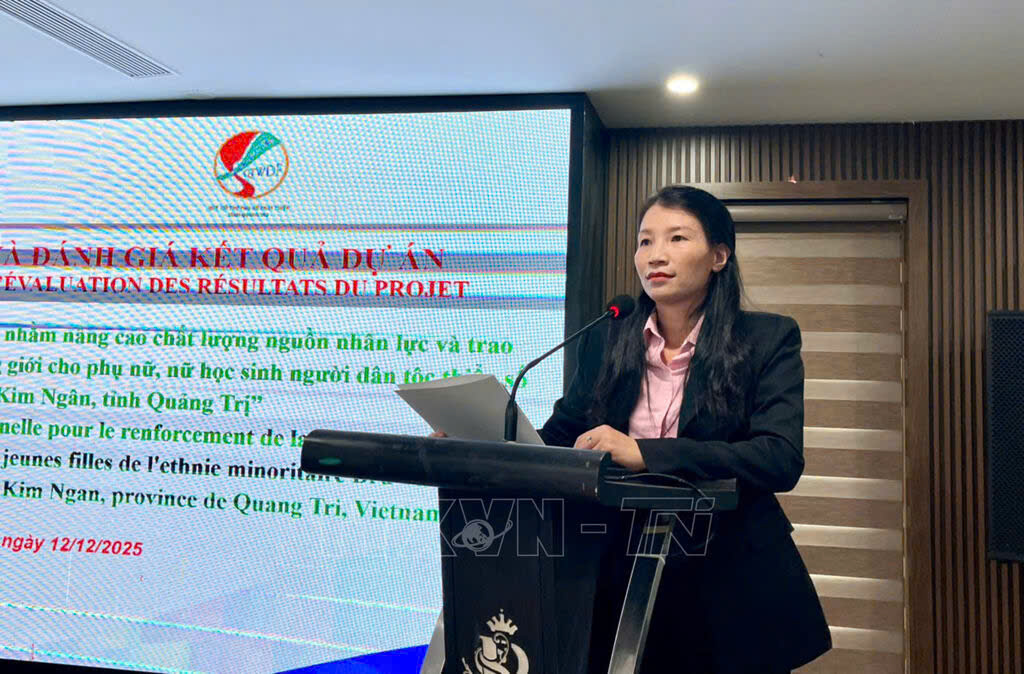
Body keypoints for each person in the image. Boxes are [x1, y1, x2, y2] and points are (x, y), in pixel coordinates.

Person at [538, 185, 832, 673]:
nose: (656, 255)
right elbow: (560, 435)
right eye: (645, 241)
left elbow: (779, 457)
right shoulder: (606, 338)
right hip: (621, 573)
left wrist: (647, 453)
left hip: (728, 579)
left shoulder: (767, 339)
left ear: (719, 256)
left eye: (677, 238)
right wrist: (485, 443)